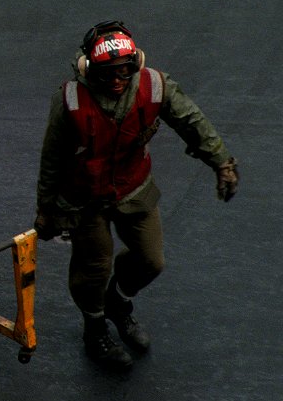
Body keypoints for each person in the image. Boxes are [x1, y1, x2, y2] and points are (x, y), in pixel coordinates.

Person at [33, 20, 238, 369]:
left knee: (150, 260)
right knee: (93, 269)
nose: (116, 80)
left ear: (135, 66)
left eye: (124, 72)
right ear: (91, 71)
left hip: (133, 187)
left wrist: (221, 162)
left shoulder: (154, 86)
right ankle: (95, 326)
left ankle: (119, 302)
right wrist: (46, 210)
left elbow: (191, 121)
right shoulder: (69, 100)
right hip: (84, 198)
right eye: (108, 74)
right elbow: (51, 157)